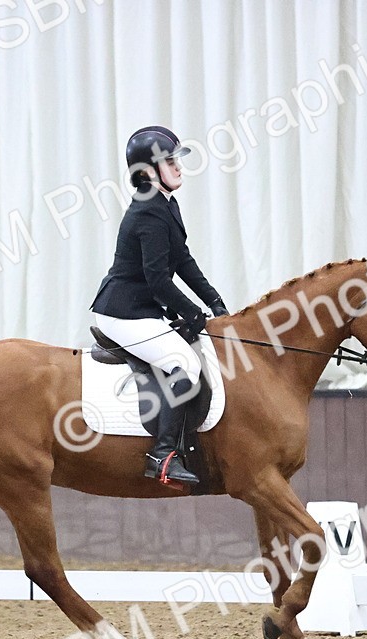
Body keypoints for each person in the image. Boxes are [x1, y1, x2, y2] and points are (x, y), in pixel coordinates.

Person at [89, 126, 228, 486]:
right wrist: (192, 313)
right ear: (148, 171)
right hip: (124, 311)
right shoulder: (148, 212)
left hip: (142, 308)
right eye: (170, 161)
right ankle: (162, 453)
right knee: (183, 363)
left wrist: (215, 302)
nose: (179, 167)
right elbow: (157, 280)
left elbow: (183, 261)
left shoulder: (166, 204)